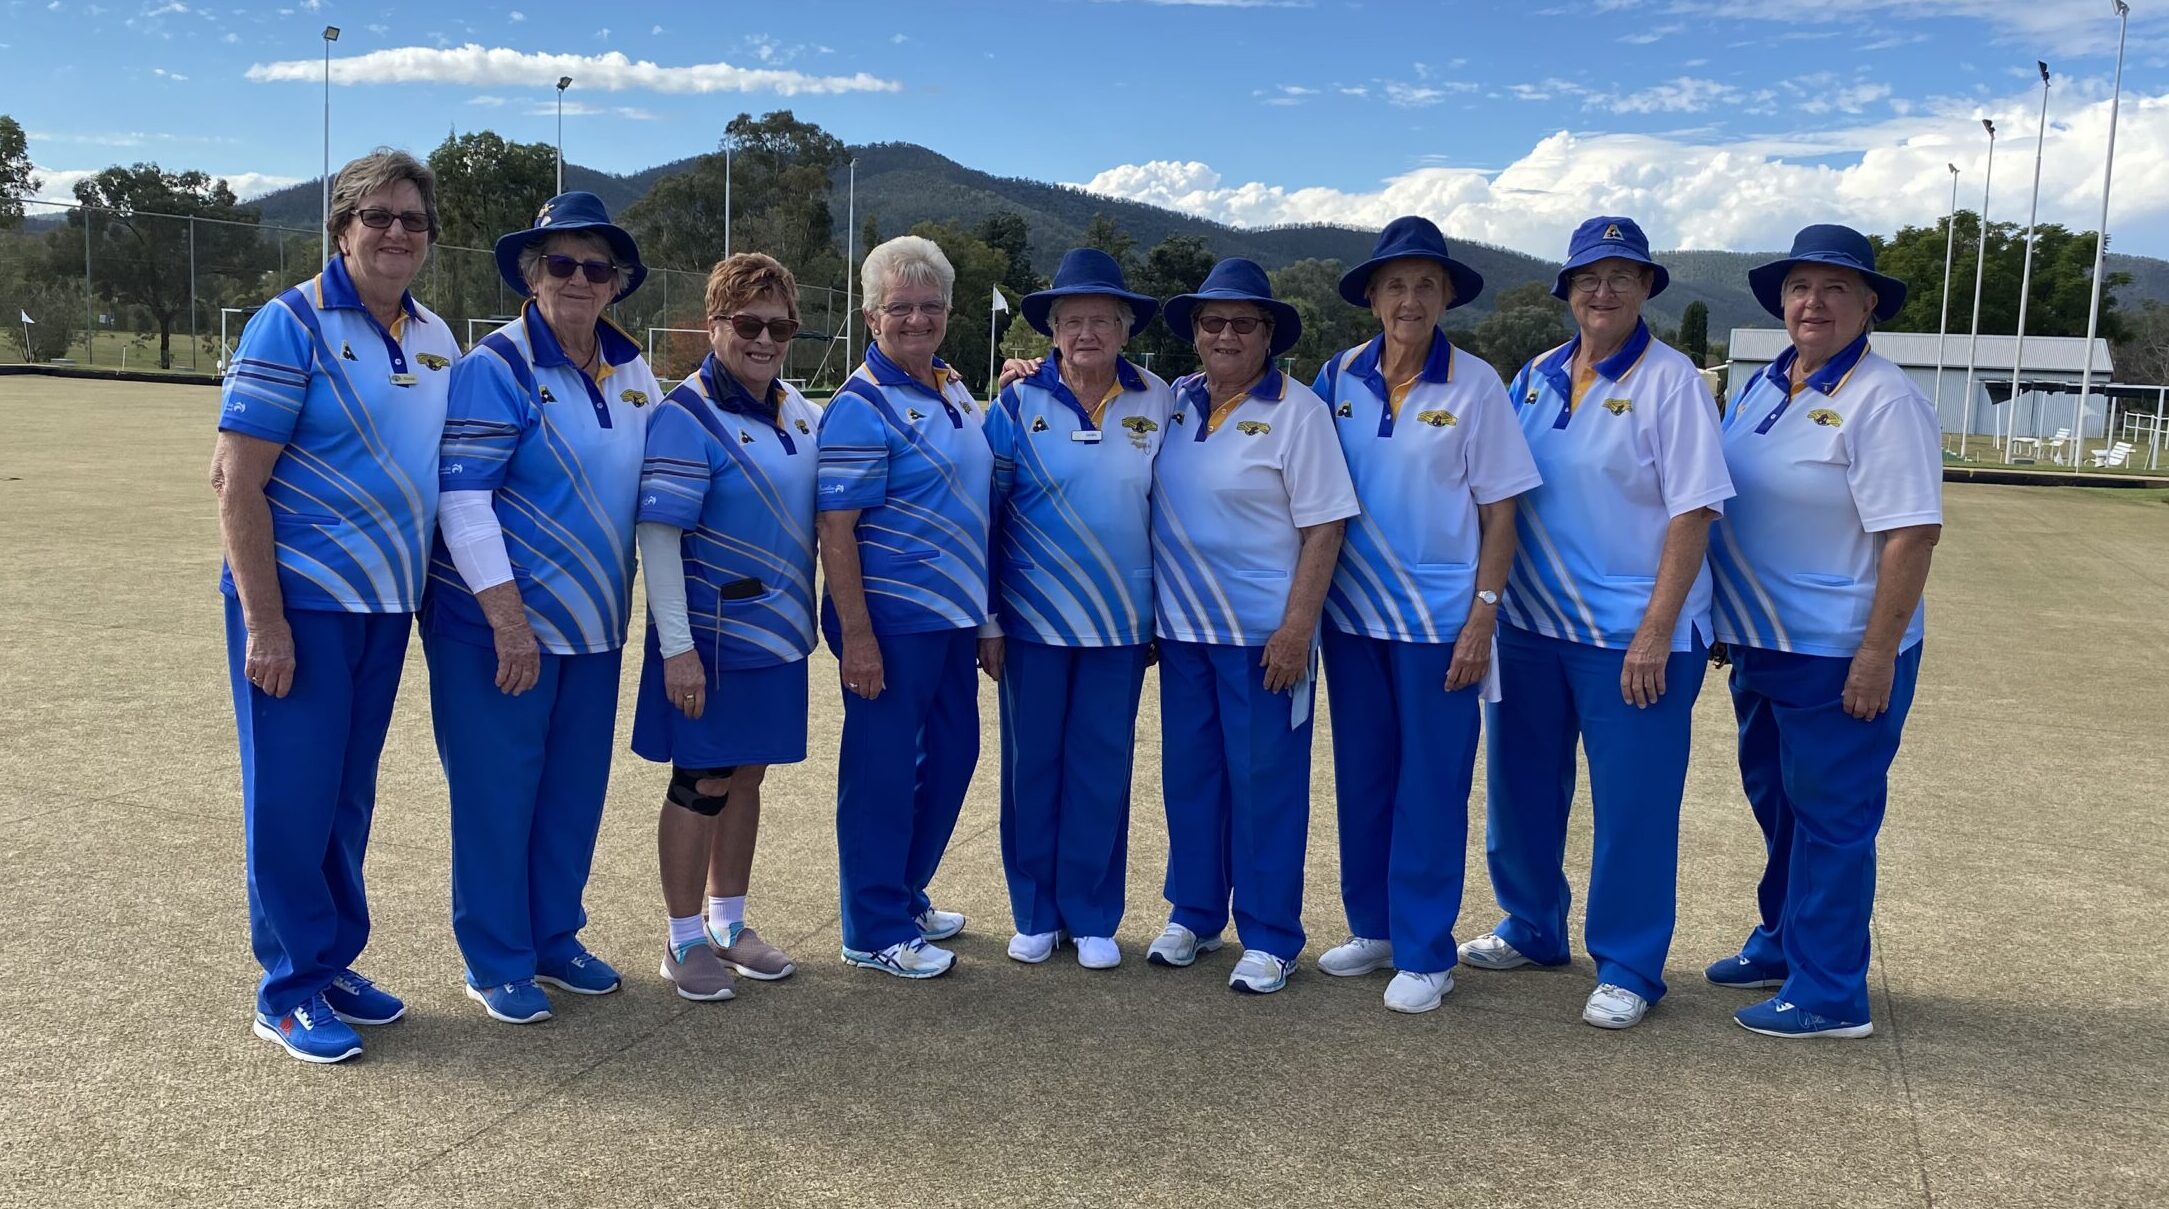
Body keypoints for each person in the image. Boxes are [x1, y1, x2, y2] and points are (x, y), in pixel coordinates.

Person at [213, 149, 458, 1063]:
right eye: (378, 216)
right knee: (291, 798)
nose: (397, 232)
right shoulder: (290, 323)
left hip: (387, 609)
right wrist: (265, 620)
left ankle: (329, 958)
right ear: (342, 226)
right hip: (300, 606)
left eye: (413, 219)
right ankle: (285, 988)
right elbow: (237, 484)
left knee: (345, 798)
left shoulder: (435, 337)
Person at [1466, 216, 1733, 1029]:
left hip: (1632, 634)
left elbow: (1695, 512)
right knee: (1517, 788)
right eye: (1588, 277)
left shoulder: (1672, 380)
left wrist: (1656, 629)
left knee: (1632, 805)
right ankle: (1532, 923)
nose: (1603, 290)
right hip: (1531, 625)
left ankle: (1628, 962)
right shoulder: (1536, 375)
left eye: (1621, 275)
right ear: (1567, 291)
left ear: (1647, 287)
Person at [423, 192, 662, 1024]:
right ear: (531, 274)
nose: (578, 279)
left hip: (596, 626)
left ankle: (554, 936)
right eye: (560, 262)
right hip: (494, 629)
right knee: (496, 795)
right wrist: (507, 619)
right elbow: (463, 501)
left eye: (596, 267)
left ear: (616, 283)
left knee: (571, 793)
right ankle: (495, 958)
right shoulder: (496, 366)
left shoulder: (633, 369)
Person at [1706, 224, 1942, 1039]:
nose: (1814, 303)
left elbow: (1910, 535)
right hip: (1762, 645)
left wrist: (1875, 655)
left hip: (1838, 650)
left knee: (1832, 821)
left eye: (1836, 289)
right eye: (1801, 288)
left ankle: (1829, 989)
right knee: (1778, 806)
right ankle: (1782, 940)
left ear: (1868, 304)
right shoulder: (1767, 383)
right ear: (1781, 301)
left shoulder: (1885, 399)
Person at [1310, 217, 1542, 1014]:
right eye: (1396, 284)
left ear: (1445, 297)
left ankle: (1425, 948)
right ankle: (1373, 927)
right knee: (1365, 777)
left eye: (1426, 286)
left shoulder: (1476, 383)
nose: (1410, 299)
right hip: (1351, 619)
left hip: (1441, 623)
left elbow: (1502, 514)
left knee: (1432, 785)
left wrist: (1483, 615)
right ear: (1371, 296)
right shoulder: (1335, 377)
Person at [1146, 258, 1359, 994]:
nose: (1226, 334)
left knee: (1264, 784)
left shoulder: (1298, 411)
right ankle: (1196, 912)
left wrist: (1297, 627)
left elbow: (1325, 527)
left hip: (1265, 638)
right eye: (1212, 322)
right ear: (1195, 333)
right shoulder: (1172, 399)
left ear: (1268, 333)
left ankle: (1270, 933)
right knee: (1191, 778)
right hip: (1182, 630)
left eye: (1243, 322)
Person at [631, 253, 819, 1001]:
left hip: (776, 635)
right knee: (701, 778)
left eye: (779, 325)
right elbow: (659, 537)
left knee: (749, 771)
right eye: (747, 322)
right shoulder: (684, 416)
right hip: (707, 638)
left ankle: (729, 924)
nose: (764, 337)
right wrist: (676, 649)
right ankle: (682, 939)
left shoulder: (799, 410)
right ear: (714, 325)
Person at [981, 248, 1172, 970]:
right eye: (1072, 320)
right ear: (1051, 331)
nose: (1086, 331)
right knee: (1033, 767)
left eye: (1101, 319)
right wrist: (989, 619)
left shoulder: (1160, 400)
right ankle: (1035, 910)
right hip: (1030, 622)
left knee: (1101, 767)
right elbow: (986, 515)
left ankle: (1092, 913)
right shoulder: (1014, 400)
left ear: (1124, 329)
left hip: (1122, 625)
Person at [817, 235, 992, 980]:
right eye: (899, 307)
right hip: (888, 620)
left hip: (951, 616)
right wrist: (857, 635)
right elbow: (836, 529)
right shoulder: (861, 405)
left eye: (929, 306)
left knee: (953, 756)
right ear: (869, 315)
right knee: (882, 771)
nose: (915, 320)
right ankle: (871, 926)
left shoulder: (951, 386)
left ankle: (902, 890)